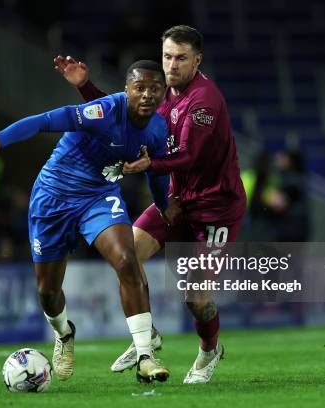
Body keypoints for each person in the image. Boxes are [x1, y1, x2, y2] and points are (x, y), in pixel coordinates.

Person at [53, 25, 246, 384]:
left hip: (215, 208)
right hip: (174, 200)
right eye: (167, 56)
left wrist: (149, 165)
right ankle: (148, 336)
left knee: (196, 298)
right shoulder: (159, 90)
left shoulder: (204, 100)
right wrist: (85, 87)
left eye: (181, 58)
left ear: (197, 60)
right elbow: (120, 114)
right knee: (127, 257)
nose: (171, 65)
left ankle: (209, 349)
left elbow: (188, 156)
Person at [0, 60, 171, 383]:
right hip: (53, 197)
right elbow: (45, 121)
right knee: (47, 291)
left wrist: (163, 208)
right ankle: (64, 333)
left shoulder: (158, 129)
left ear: (163, 93)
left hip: (98, 197)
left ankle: (145, 355)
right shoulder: (102, 112)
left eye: (154, 89)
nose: (146, 95)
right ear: (126, 90)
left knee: (127, 260)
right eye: (139, 87)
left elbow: (158, 173)